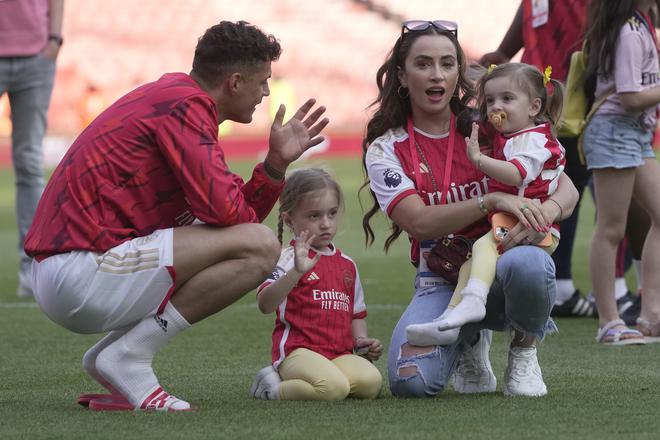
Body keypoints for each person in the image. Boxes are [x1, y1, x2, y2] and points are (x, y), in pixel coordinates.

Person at [24, 21, 329, 411]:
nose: (266, 92)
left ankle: (113, 355)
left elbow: (232, 216)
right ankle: (129, 356)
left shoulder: (174, 97)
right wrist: (263, 180)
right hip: (79, 272)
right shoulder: (186, 107)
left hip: (72, 269)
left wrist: (274, 164)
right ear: (235, 82)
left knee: (247, 241)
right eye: (263, 80)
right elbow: (230, 216)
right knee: (261, 246)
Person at [362, 20, 578, 397]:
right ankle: (469, 341)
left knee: (530, 262)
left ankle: (524, 352)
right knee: (410, 383)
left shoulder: (489, 128)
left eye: (448, 64)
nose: (437, 75)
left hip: (505, 264)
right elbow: (418, 221)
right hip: (442, 279)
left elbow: (566, 187)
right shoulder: (386, 148)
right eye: (423, 64)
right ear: (401, 74)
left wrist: (546, 212)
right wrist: (489, 200)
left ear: (459, 73)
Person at [480, 0, 648, 323]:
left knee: (619, 187)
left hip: (586, 84)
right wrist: (504, 51)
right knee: (562, 179)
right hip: (543, 87)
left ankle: (625, 290)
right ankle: (586, 289)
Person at [406, 62, 565, 346]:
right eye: (490, 100)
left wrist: (479, 160)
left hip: (533, 226)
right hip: (512, 220)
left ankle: (521, 345)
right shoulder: (513, 135)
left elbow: (518, 173)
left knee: (485, 249)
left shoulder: (535, 140)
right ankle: (452, 320)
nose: (495, 107)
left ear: (533, 106)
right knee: (473, 263)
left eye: (507, 99)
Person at [249, 168, 383, 401]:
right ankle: (272, 387)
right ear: (289, 220)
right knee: (333, 389)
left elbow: (356, 314)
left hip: (337, 353)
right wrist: (296, 272)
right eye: (314, 216)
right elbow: (265, 304)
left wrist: (361, 342)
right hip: (297, 353)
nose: (325, 224)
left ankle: (327, 381)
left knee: (371, 383)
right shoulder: (287, 258)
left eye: (331, 214)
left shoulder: (347, 264)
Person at [581, 0, 660, 345]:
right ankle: (609, 323)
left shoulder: (639, 25)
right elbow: (629, 97)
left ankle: (651, 316)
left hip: (632, 133)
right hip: (616, 129)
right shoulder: (630, 30)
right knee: (611, 228)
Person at [0, 0, 64, 298]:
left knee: (29, 162)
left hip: (37, 56)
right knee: (29, 164)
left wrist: (54, 40)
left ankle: (30, 269)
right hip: (33, 53)